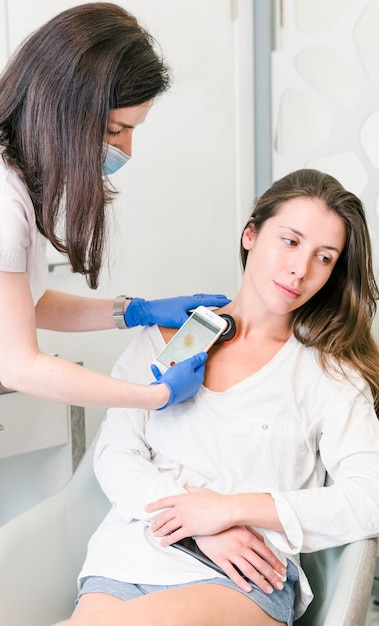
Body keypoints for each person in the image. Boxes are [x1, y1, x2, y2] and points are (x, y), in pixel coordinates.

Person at [56, 169, 379, 626]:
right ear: (251, 234)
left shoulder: (328, 372)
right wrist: (197, 529)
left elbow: (378, 499)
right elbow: (117, 453)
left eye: (324, 257)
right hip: (130, 557)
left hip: (240, 575)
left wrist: (227, 510)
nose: (301, 269)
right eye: (291, 241)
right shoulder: (166, 336)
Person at [0, 3, 230, 411]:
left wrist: (134, 311)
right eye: (114, 130)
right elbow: (18, 365)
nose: (125, 150)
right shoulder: (5, 198)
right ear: (62, 108)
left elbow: (25, 303)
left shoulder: (18, 177)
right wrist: (155, 396)